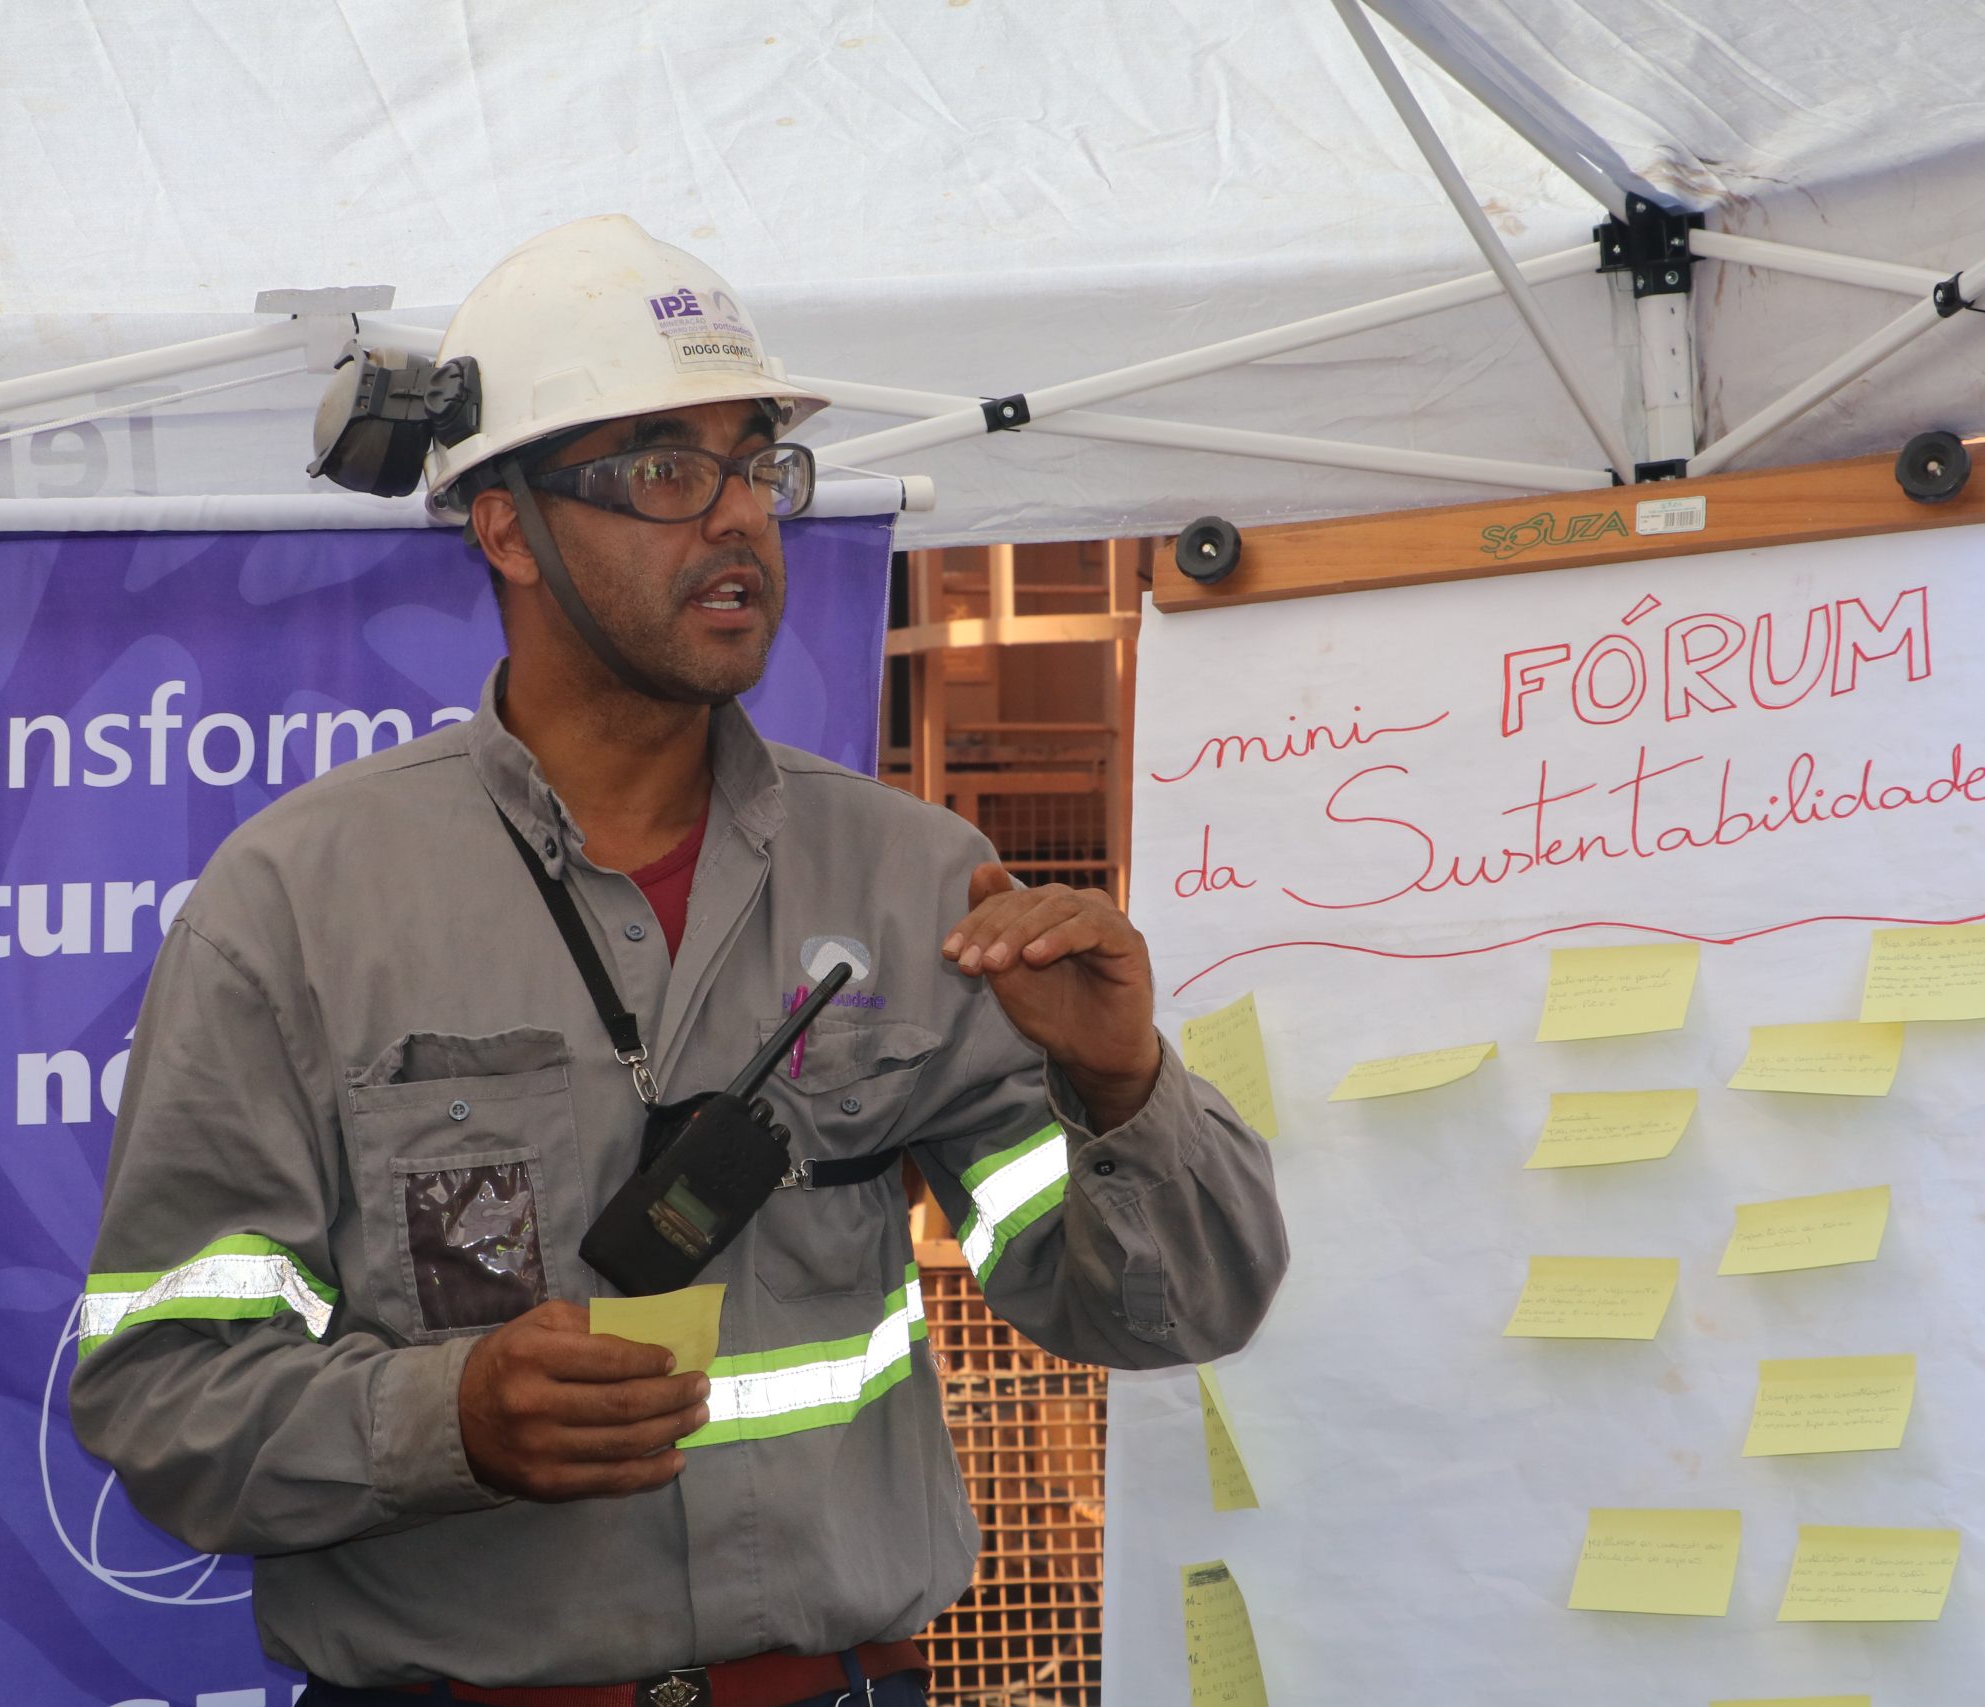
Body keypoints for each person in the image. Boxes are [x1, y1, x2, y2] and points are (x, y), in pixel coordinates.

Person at [71, 215, 1288, 1707]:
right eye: (663, 468)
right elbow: (160, 1394)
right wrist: (444, 1417)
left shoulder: (913, 881)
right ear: (505, 525)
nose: (738, 520)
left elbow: (1172, 1311)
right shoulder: (296, 908)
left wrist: (1122, 1085)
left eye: (756, 465)